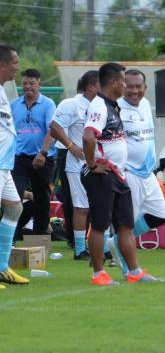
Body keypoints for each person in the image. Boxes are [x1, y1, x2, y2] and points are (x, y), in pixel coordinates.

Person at [81, 62, 158, 285]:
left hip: (118, 173)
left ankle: (134, 271)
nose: (126, 85)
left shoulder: (113, 105)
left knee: (126, 225)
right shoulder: (99, 106)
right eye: (123, 81)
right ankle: (98, 274)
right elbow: (88, 136)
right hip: (102, 174)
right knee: (100, 225)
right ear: (114, 82)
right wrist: (92, 165)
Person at [110, 69, 165, 276]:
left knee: (161, 215)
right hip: (129, 173)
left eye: (138, 86)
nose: (134, 91)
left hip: (147, 173)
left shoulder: (145, 104)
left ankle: (116, 242)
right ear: (122, 86)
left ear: (145, 87)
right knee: (126, 224)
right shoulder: (116, 108)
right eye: (130, 86)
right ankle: (130, 270)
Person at [49, 71, 100, 260]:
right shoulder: (71, 104)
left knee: (100, 206)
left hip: (100, 163)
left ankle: (102, 247)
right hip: (78, 164)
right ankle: (80, 250)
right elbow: (54, 127)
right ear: (91, 86)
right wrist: (71, 146)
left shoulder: (102, 106)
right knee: (81, 207)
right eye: (101, 84)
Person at [11, 68, 56, 235]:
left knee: (42, 199)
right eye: (24, 83)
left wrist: (43, 153)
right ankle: (10, 238)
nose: (28, 86)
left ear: (39, 84)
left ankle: (40, 238)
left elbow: (52, 129)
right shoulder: (14, 104)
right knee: (14, 197)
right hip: (19, 158)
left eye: (32, 83)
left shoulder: (48, 104)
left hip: (43, 158)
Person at [0, 44, 29, 288]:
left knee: (15, 209)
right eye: (15, 63)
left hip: (5, 165)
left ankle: (1, 267)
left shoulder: (2, 90)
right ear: (2, 65)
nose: (18, 67)